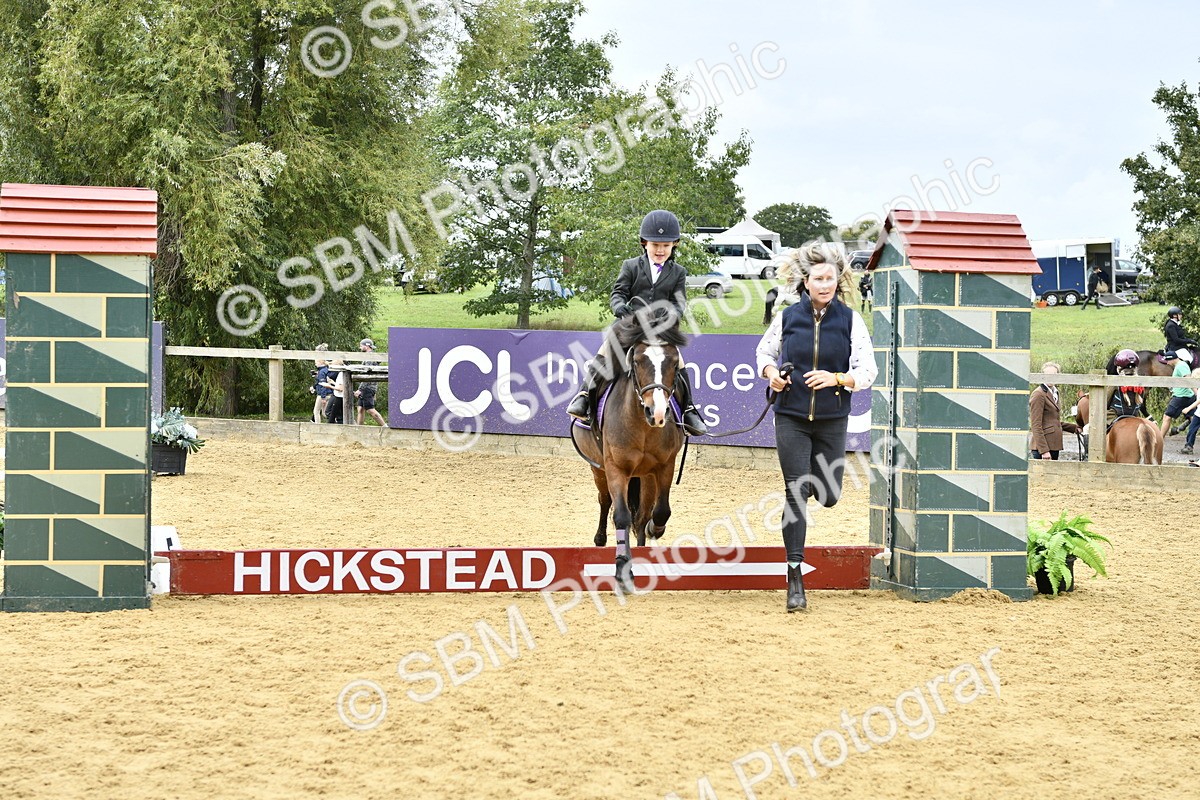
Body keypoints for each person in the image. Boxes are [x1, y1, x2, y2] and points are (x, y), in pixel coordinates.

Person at [755, 242, 876, 612]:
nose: (825, 284)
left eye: (831, 278)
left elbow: (868, 371)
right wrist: (772, 374)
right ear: (805, 281)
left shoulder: (851, 320)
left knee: (828, 494)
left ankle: (807, 491)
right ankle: (795, 579)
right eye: (818, 278)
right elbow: (764, 353)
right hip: (790, 416)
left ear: (839, 280)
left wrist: (838, 378)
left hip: (832, 420)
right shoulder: (788, 317)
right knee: (795, 490)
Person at [565, 209, 707, 436]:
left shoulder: (678, 272)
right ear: (644, 243)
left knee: (678, 362)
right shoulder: (631, 265)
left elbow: (679, 303)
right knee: (605, 351)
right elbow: (618, 293)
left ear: (675, 245)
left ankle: (689, 409)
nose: (660, 250)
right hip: (631, 326)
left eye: (666, 246)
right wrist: (620, 307)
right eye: (655, 245)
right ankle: (584, 396)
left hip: (661, 329)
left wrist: (669, 318)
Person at [1029, 362, 1079, 460]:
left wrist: (1074, 428)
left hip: (1053, 445)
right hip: (1043, 448)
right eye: (1048, 375)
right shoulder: (1038, 394)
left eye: (1054, 375)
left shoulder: (1054, 392)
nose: (1050, 377)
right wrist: (1044, 451)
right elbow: (1035, 425)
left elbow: (1052, 421)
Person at [1106, 349, 1150, 426]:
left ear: (1119, 368)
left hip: (1114, 416)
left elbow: (1105, 403)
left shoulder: (1114, 384)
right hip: (1135, 416)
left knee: (1087, 428)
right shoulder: (1140, 384)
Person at [1159, 356, 1196, 438]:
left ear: (1172, 359)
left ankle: (1160, 439)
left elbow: (1188, 379)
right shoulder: (1181, 365)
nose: (1167, 363)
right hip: (1187, 395)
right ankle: (1189, 442)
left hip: (1181, 396)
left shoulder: (1181, 366)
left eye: (1168, 361)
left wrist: (1197, 393)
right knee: (1193, 418)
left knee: (1167, 417)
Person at [355, 338, 387, 426]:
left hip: (367, 387)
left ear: (367, 346)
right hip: (367, 386)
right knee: (360, 409)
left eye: (361, 345)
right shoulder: (370, 356)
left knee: (371, 410)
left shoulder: (370, 358)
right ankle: (359, 429)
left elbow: (367, 375)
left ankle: (385, 427)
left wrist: (360, 389)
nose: (360, 347)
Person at [1179, 368, 1200, 455]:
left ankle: (1189, 446)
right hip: (1198, 413)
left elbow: (1199, 400)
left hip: (1198, 412)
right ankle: (1189, 446)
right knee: (1192, 429)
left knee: (1192, 429)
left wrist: (1189, 408)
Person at [311, 343, 331, 423]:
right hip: (328, 393)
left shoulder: (322, 371)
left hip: (323, 394)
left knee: (317, 411)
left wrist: (323, 397)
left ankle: (318, 427)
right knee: (324, 413)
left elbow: (323, 384)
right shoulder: (325, 369)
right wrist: (314, 386)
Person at [323, 359, 346, 424]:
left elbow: (341, 388)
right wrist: (333, 383)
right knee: (336, 415)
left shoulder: (342, 374)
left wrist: (329, 386)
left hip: (340, 396)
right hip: (338, 395)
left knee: (331, 414)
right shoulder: (340, 373)